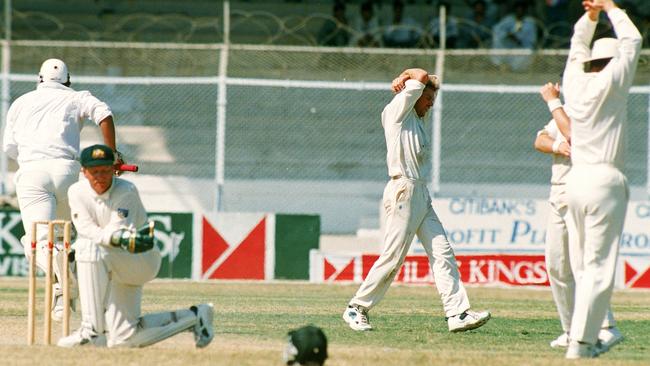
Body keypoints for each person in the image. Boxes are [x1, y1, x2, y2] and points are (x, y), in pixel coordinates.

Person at [342, 68, 490, 332]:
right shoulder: (398, 111)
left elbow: (426, 81)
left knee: (442, 252)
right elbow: (420, 74)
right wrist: (404, 76)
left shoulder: (418, 119)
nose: (431, 103)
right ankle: (357, 307)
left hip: (420, 192)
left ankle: (457, 314)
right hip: (403, 189)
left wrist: (422, 85)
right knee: (394, 256)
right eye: (428, 98)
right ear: (414, 93)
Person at [2, 58, 124, 322]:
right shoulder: (76, 96)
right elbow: (104, 114)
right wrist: (111, 154)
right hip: (68, 171)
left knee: (37, 243)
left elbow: (10, 149)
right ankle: (62, 299)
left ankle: (62, 274)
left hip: (32, 172)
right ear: (68, 80)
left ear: (39, 79)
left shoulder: (20, 103)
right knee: (64, 241)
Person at [57, 144, 214, 348]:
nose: (100, 177)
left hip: (139, 259)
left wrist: (113, 238)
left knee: (87, 246)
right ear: (84, 172)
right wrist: (112, 238)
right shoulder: (76, 192)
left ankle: (92, 331)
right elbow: (88, 228)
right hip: (109, 261)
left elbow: (115, 232)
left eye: (105, 170)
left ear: (113, 169)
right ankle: (195, 316)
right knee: (124, 338)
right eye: (94, 171)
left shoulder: (126, 190)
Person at [556, 0, 641, 359]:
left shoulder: (573, 81)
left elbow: (576, 45)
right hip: (605, 179)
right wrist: (609, 7)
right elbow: (633, 40)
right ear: (610, 61)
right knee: (597, 268)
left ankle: (582, 337)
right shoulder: (613, 81)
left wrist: (590, 17)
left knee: (580, 264)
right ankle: (584, 342)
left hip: (574, 180)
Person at [535, 84, 622, 352]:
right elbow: (539, 139)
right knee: (557, 265)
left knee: (582, 264)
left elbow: (573, 133)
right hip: (559, 195)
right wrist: (557, 145)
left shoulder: (597, 110)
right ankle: (571, 330)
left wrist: (552, 100)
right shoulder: (566, 111)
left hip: (583, 194)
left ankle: (606, 328)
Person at [490, 1, 537, 71]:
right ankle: (499, 65)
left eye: (522, 10)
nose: (519, 12)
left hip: (521, 49)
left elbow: (532, 39)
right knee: (496, 43)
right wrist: (507, 34)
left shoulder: (530, 22)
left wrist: (519, 41)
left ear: (525, 11)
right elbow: (496, 29)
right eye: (518, 9)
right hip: (507, 47)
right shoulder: (509, 19)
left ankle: (514, 69)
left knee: (528, 53)